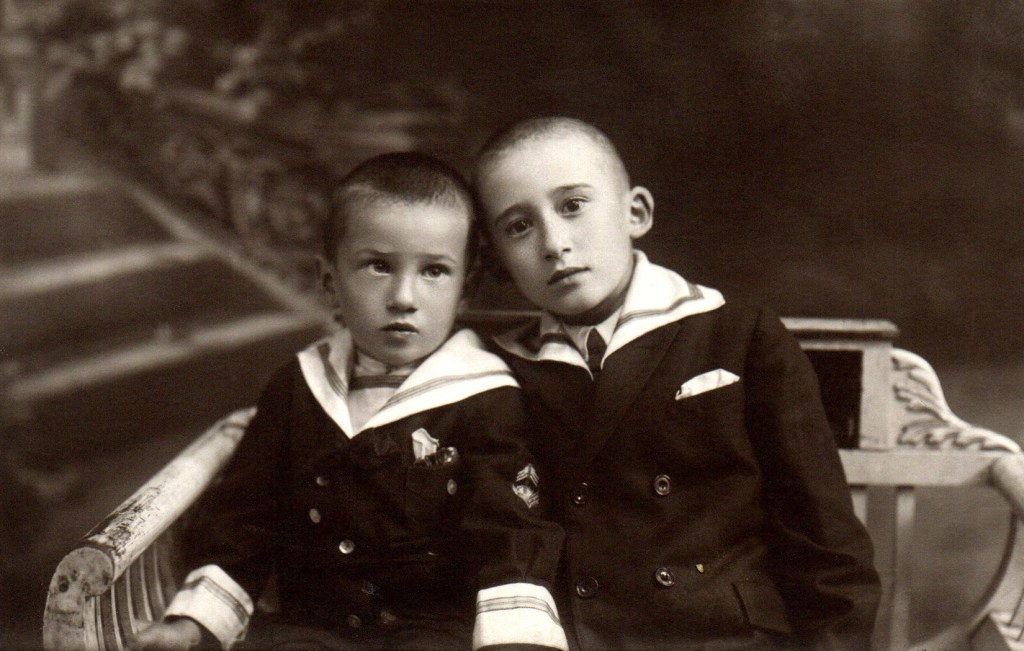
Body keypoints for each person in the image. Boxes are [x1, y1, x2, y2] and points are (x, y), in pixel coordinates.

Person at [472, 117, 881, 650]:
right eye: (518, 227)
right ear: (498, 259)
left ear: (634, 212)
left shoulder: (738, 334)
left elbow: (824, 540)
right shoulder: (502, 368)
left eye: (573, 205)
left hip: (727, 637)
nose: (554, 243)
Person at [133, 152, 568, 651]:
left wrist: (514, 640)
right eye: (378, 267)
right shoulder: (299, 387)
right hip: (312, 627)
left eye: (434, 272)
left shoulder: (486, 397)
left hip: (433, 628)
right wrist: (195, 622)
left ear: (464, 291)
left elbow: (507, 527)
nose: (403, 296)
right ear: (330, 282)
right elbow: (244, 517)